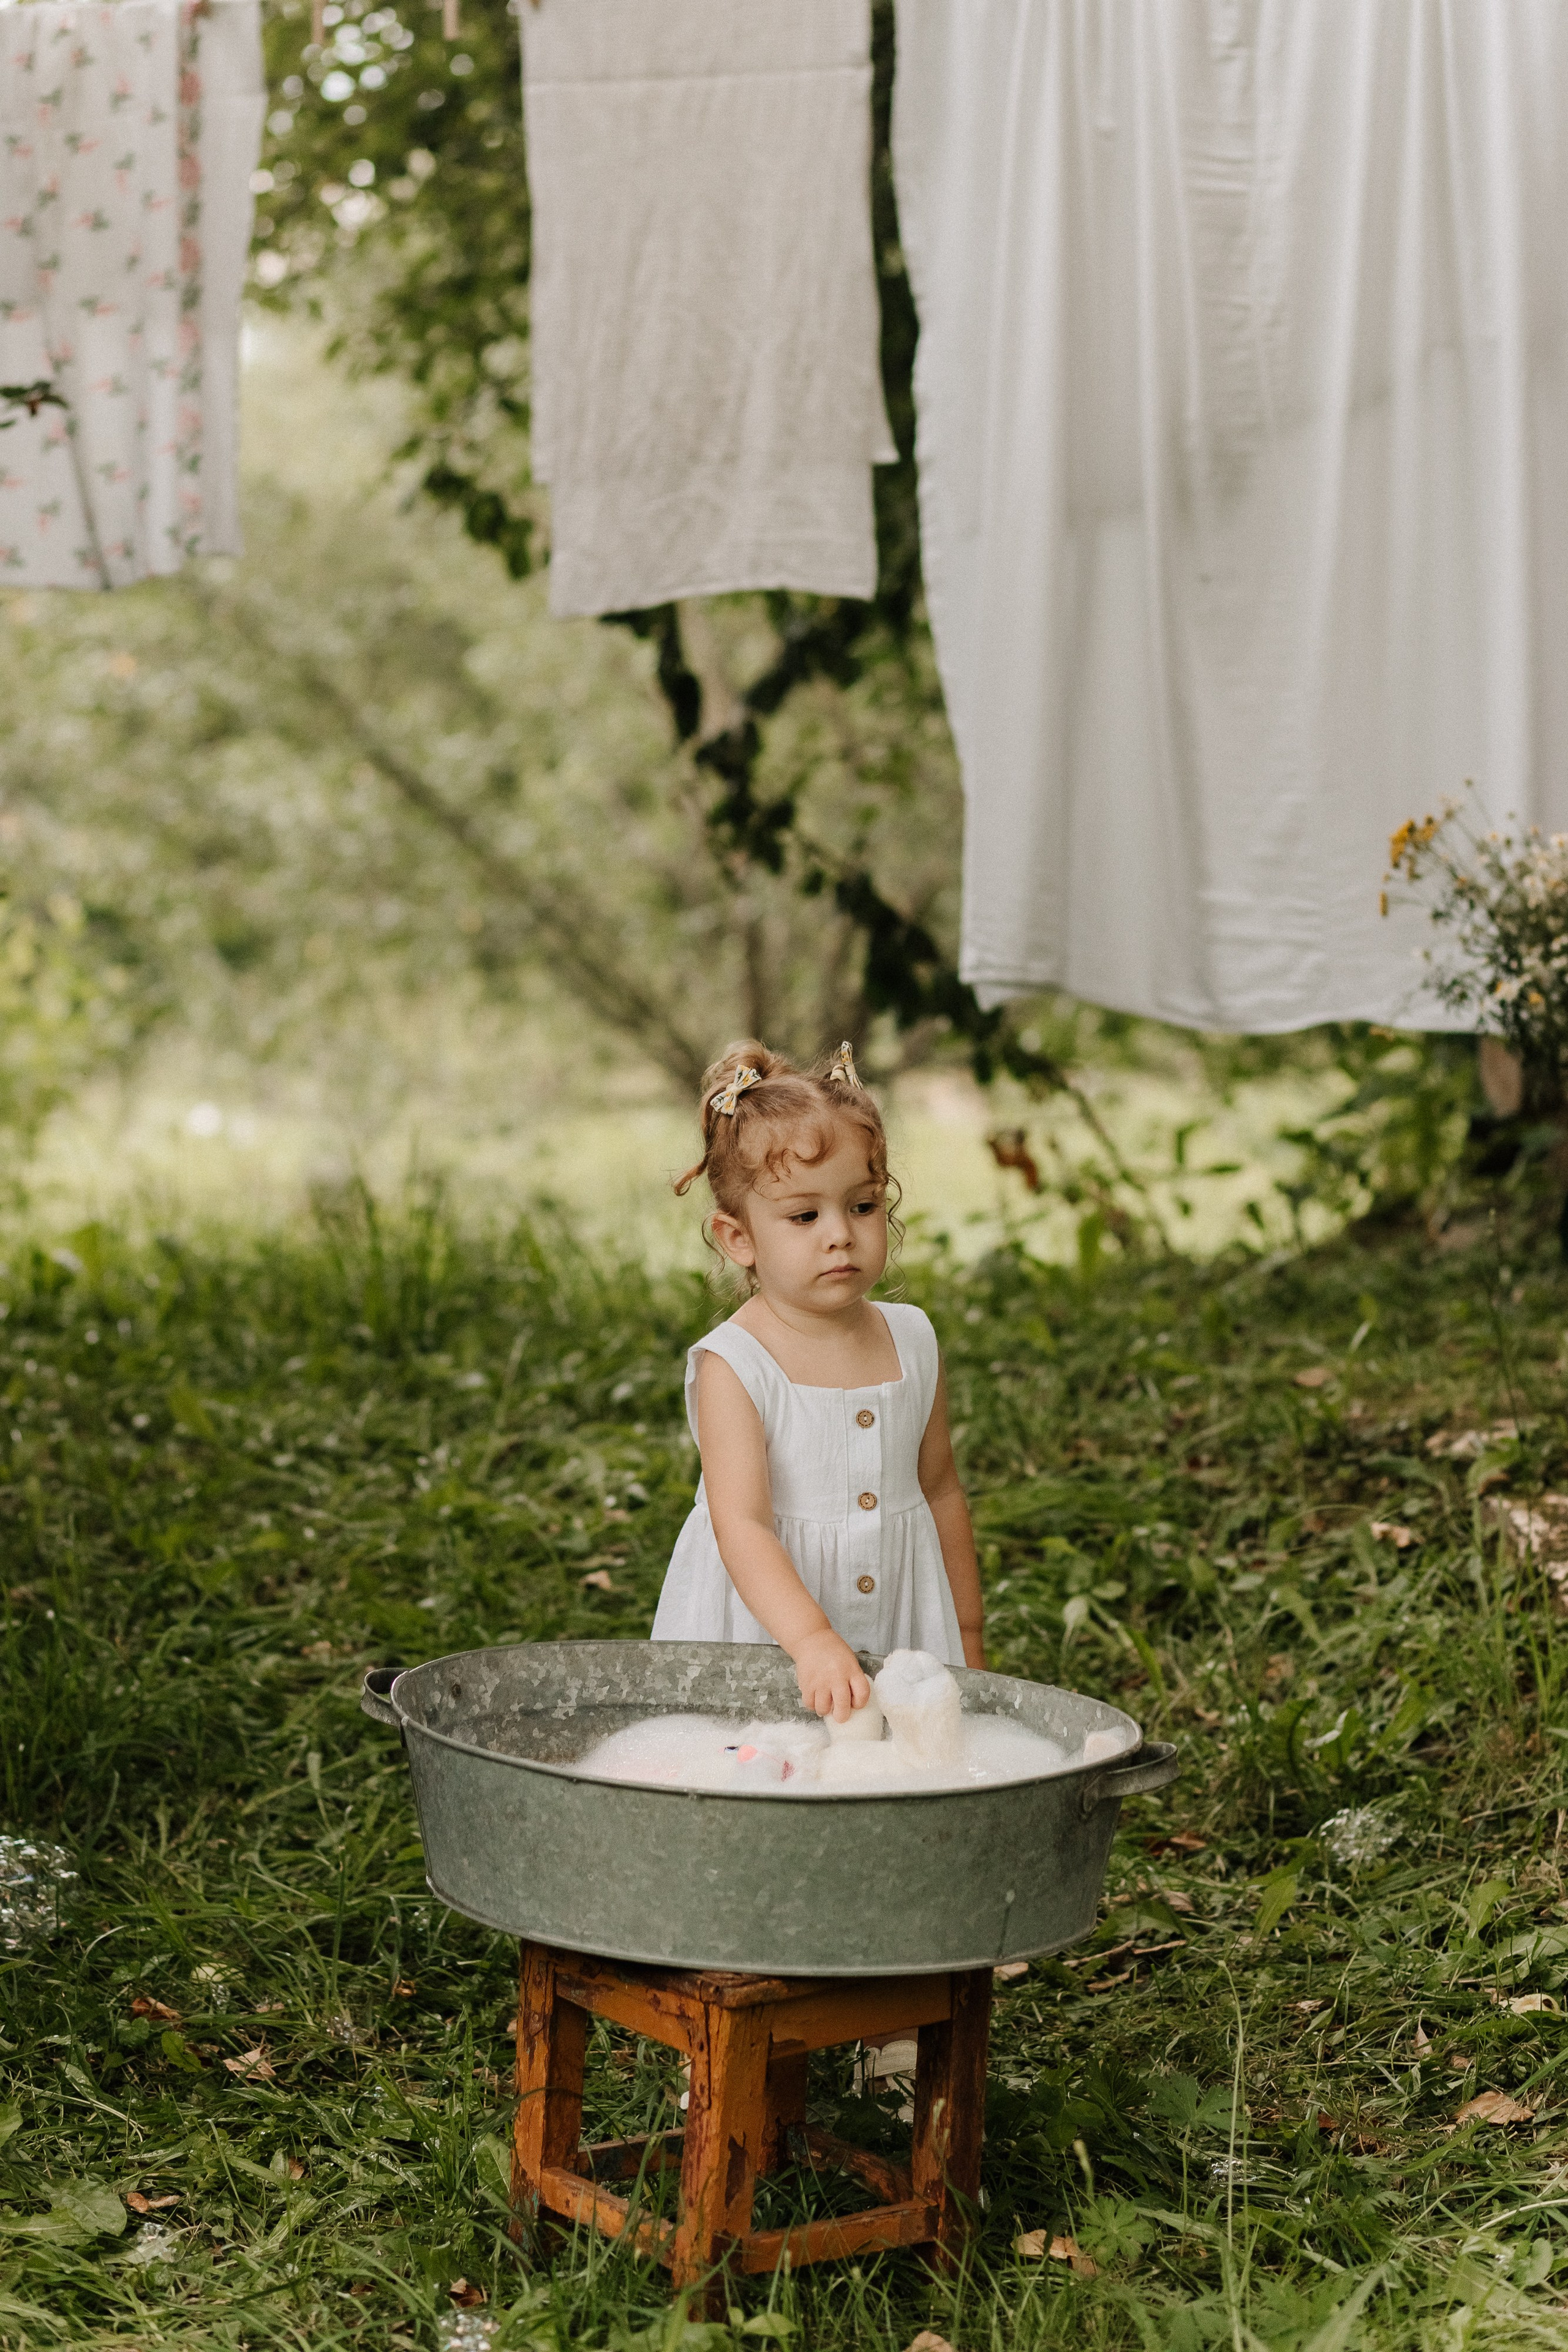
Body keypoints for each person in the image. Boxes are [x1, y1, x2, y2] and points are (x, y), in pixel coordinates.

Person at [652, 1039, 986, 1720]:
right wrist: (810, 1640)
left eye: (861, 1207)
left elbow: (940, 1487)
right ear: (738, 1238)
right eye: (804, 1216)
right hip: (765, 1629)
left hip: (900, 1610)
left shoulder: (913, 1340)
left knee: (895, 1766)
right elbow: (740, 1523)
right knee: (761, 1765)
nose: (839, 1234)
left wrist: (968, 1632)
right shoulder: (736, 1364)